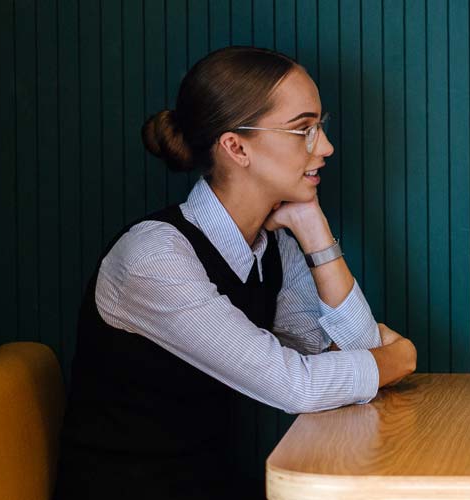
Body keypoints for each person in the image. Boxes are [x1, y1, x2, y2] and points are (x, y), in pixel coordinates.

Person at [55, 46, 417, 499]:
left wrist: (314, 231)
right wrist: (397, 359)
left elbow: (350, 354)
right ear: (236, 147)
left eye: (321, 127)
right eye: (303, 129)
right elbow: (299, 386)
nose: (324, 147)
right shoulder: (155, 257)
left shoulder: (272, 247)